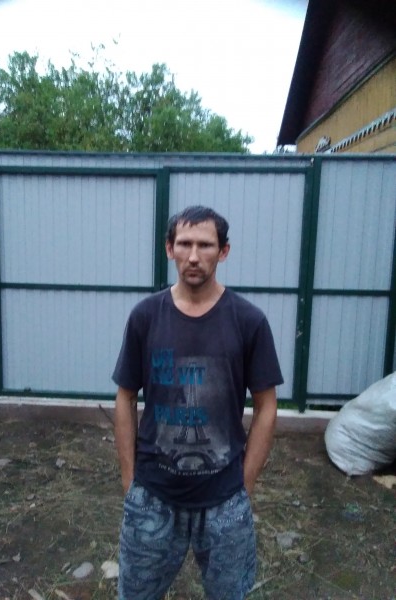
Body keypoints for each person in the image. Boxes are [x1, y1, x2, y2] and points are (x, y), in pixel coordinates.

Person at [113, 205, 283, 600]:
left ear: (223, 251)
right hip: (152, 495)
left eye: (205, 245)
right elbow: (125, 396)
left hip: (225, 498)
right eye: (184, 244)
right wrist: (129, 479)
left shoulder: (249, 321)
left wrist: (245, 483)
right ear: (169, 248)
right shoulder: (145, 317)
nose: (193, 256)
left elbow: (267, 406)